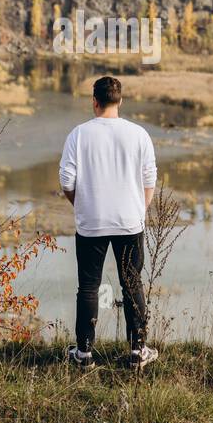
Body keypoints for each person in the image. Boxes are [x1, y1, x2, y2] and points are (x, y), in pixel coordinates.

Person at [58, 75, 158, 369]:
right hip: (130, 221)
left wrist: (82, 204)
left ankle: (84, 354)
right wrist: (140, 207)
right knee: (132, 284)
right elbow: (149, 178)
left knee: (88, 287)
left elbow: (66, 179)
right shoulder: (138, 134)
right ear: (120, 101)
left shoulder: (79, 134)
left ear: (95, 102)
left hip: (91, 222)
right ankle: (138, 352)